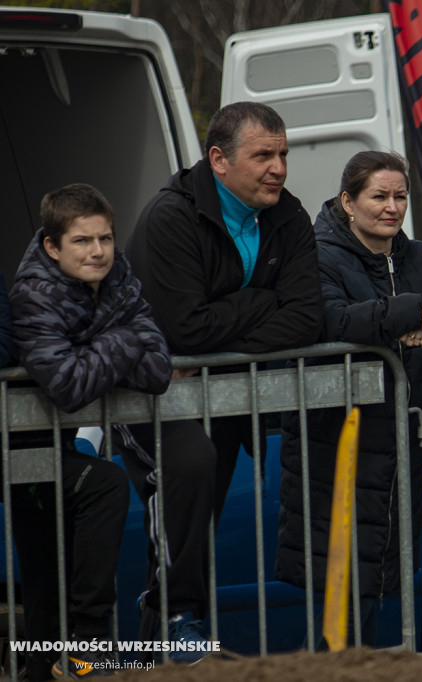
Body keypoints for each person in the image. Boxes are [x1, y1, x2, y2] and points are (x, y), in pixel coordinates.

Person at [120, 101, 321, 661]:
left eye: (282, 154)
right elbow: (182, 329)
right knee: (188, 475)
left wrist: (221, 328)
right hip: (152, 392)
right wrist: (261, 302)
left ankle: (171, 647)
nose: (278, 167)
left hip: (226, 391)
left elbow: (307, 316)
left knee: (202, 513)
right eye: (263, 155)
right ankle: (170, 626)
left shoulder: (288, 214)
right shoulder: (170, 217)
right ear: (219, 160)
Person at [275, 151, 422, 644]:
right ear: (347, 201)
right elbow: (330, 322)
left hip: (399, 446)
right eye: (379, 196)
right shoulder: (316, 253)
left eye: (400, 196)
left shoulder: (420, 257)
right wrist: (409, 312)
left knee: (375, 587)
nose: (392, 207)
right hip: (335, 443)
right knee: (340, 588)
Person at [8, 183, 171, 679]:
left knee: (43, 589)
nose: (98, 251)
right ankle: (88, 648)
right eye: (82, 241)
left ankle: (60, 662)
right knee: (103, 485)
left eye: (105, 238)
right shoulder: (31, 294)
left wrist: (96, 346)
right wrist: (122, 338)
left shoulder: (118, 277)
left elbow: (159, 368)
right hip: (17, 452)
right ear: (52, 246)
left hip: (48, 449)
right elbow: (67, 384)